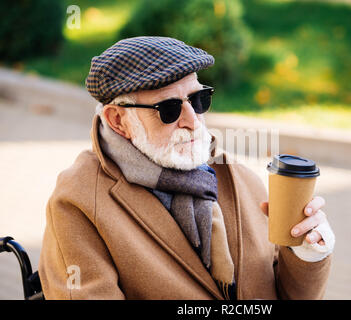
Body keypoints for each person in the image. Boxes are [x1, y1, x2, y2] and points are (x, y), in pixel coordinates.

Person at [38, 36, 335, 300]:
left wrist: (305, 250)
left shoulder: (234, 175)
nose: (192, 120)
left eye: (198, 99)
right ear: (118, 120)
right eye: (168, 109)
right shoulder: (77, 203)